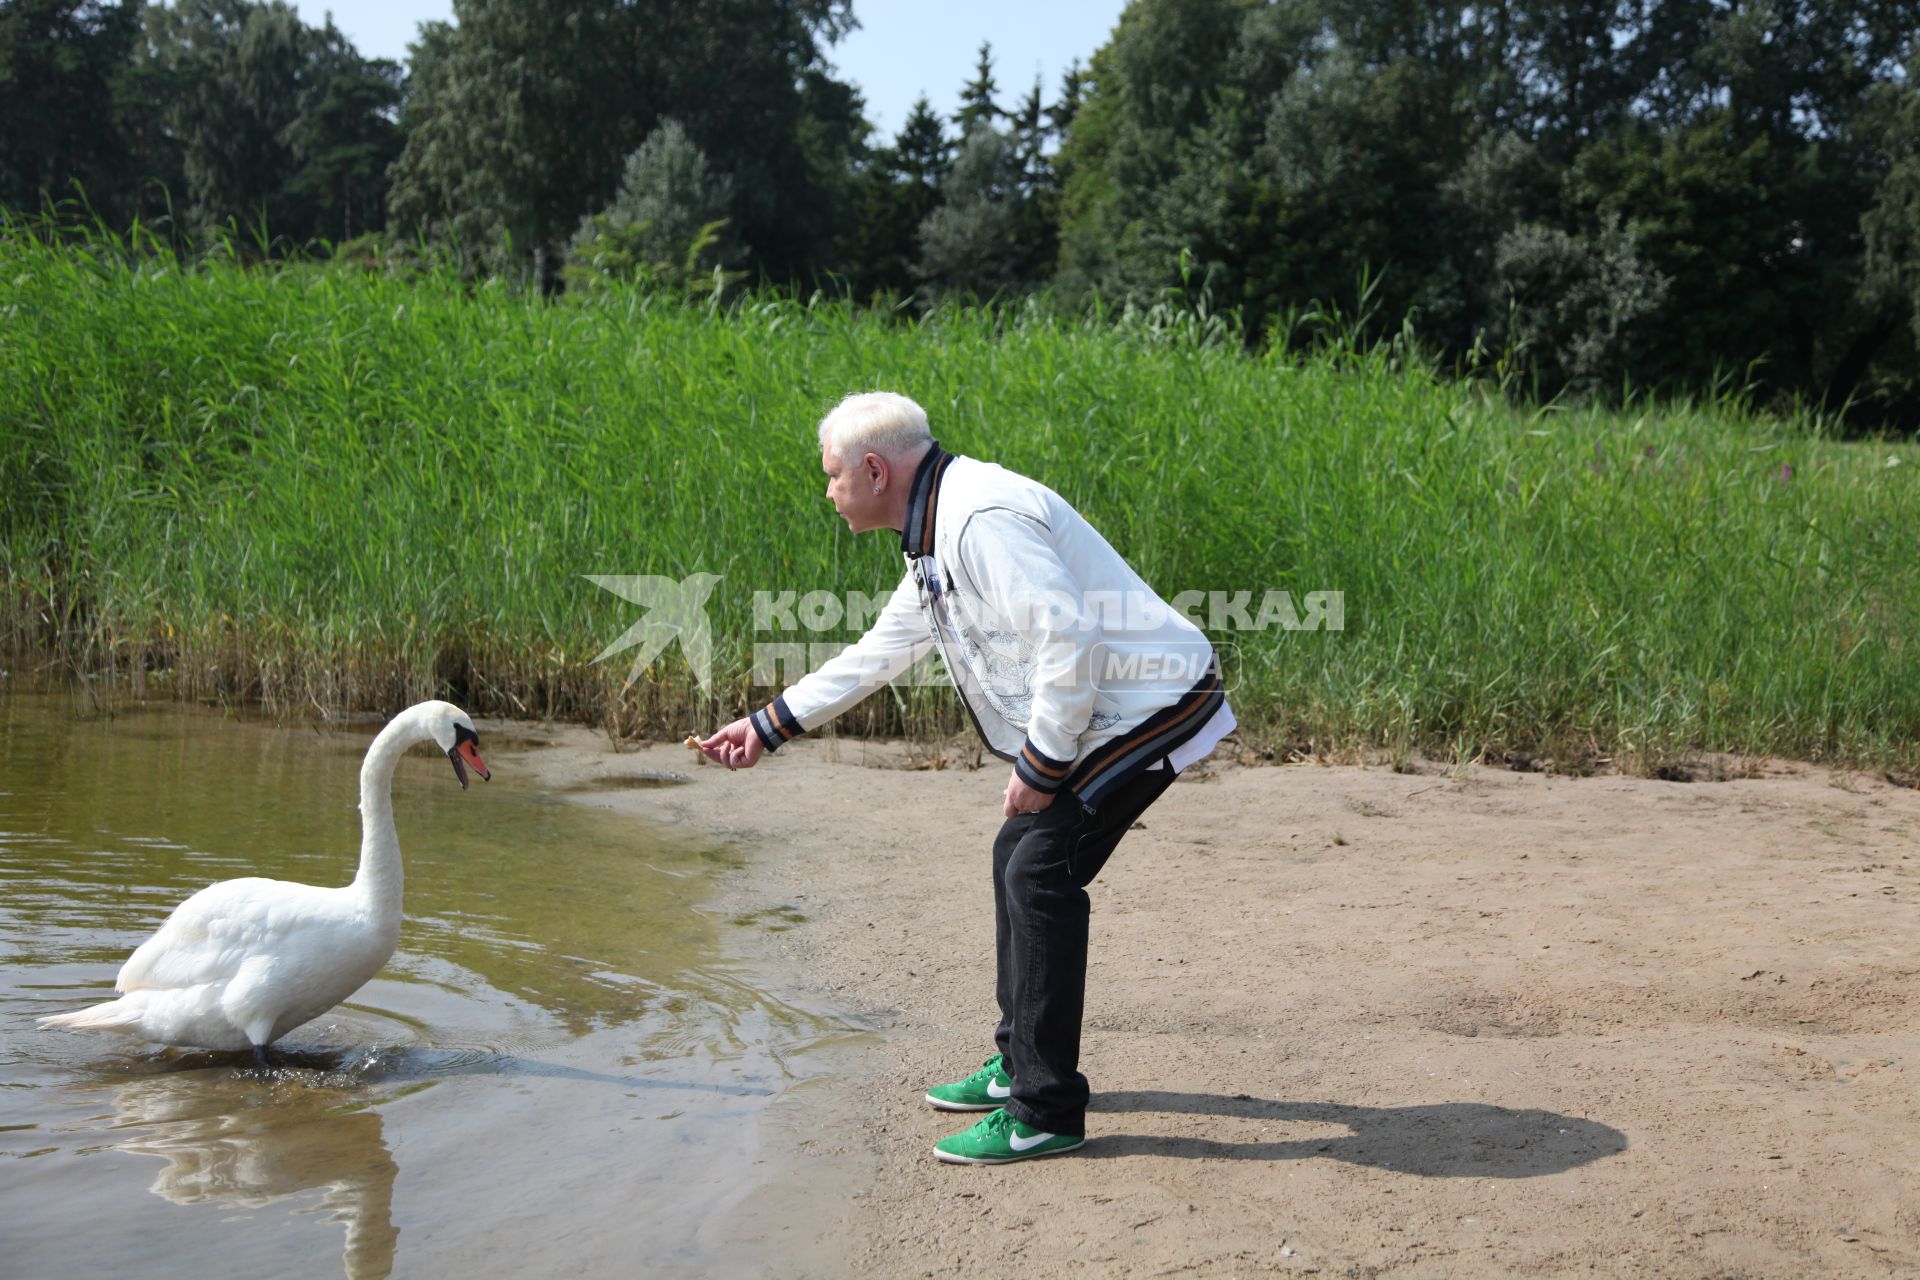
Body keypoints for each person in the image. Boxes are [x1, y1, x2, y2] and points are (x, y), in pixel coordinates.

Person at [696, 391, 1234, 1164]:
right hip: (1109, 704)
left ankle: (1044, 1109)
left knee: (1038, 873)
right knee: (1015, 854)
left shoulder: (977, 520)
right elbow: (881, 650)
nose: (827, 492)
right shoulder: (935, 526)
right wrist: (769, 725)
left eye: (832, 476)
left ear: (875, 471)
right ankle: (1020, 1063)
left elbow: (1069, 637)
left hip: (1157, 698)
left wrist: (1043, 764)